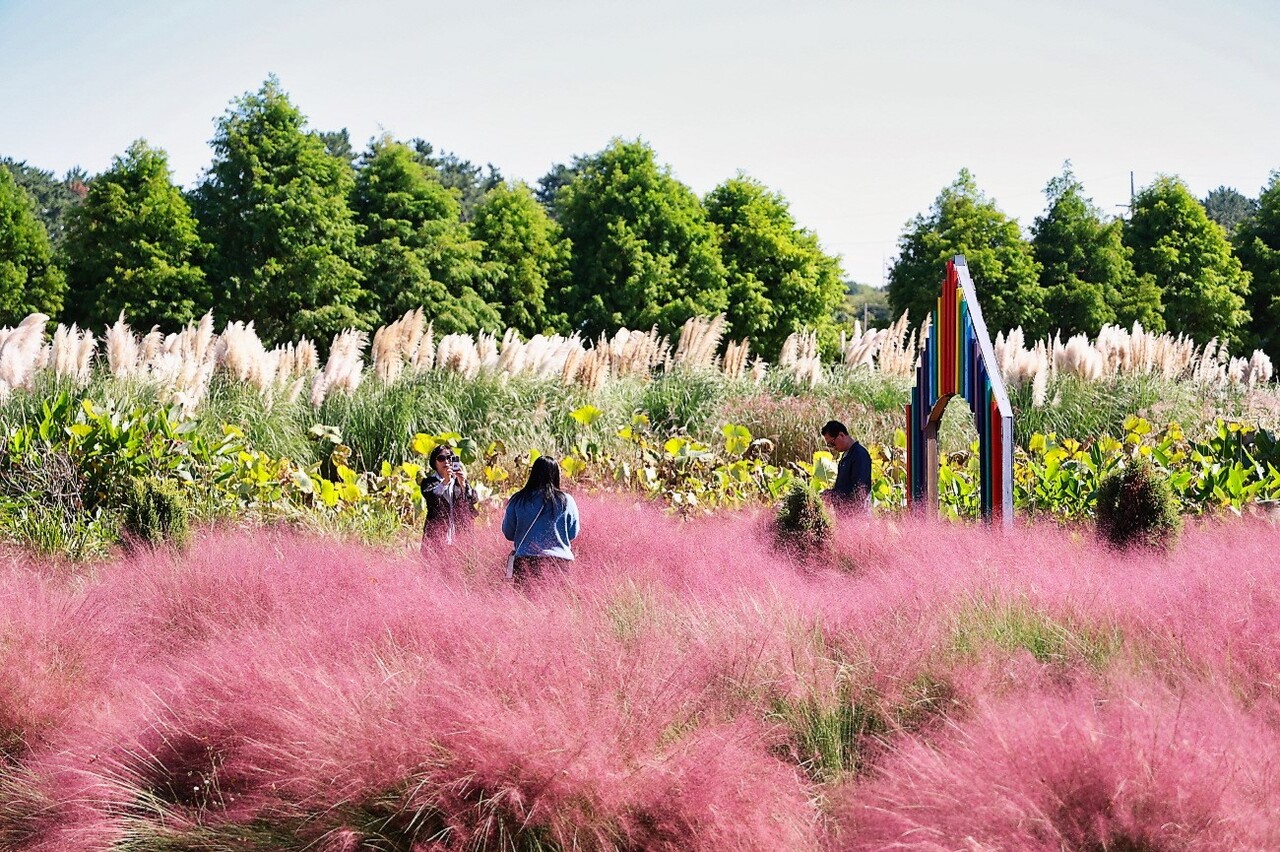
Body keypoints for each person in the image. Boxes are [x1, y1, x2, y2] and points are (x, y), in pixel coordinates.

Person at [502, 456, 580, 584]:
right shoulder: (567, 500)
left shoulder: (518, 500)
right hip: (560, 564)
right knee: (557, 603)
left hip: (526, 563)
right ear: (556, 475)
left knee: (525, 603)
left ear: (533, 474)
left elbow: (508, 533)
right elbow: (572, 533)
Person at [420, 444, 478, 549]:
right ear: (435, 463)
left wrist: (464, 484)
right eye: (441, 458)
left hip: (460, 538)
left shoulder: (459, 481)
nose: (446, 461)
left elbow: (473, 499)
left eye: (449, 458)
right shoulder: (428, 482)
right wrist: (445, 482)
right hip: (436, 539)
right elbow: (431, 497)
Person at [821, 419, 872, 513]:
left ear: (841, 435)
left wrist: (833, 496)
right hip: (845, 518)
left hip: (857, 519)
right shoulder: (846, 455)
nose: (833, 447)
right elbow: (844, 487)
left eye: (832, 443)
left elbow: (859, 491)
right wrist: (831, 494)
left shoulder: (859, 455)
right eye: (829, 445)